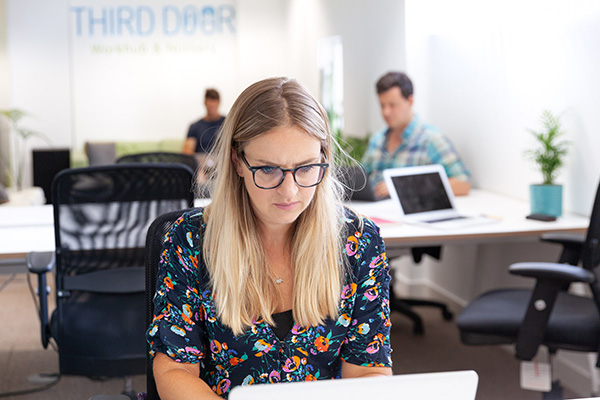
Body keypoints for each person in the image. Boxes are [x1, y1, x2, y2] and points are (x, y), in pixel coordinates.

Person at [147, 77, 393, 399]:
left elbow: (368, 370)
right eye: (267, 170)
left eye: (305, 168)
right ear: (237, 161)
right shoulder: (192, 239)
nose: (289, 192)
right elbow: (175, 369)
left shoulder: (358, 241)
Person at [361, 72, 471, 199]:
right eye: (382, 105)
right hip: (372, 214)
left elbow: (463, 184)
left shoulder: (431, 140)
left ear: (410, 101)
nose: (386, 112)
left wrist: (402, 187)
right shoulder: (377, 140)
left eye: (392, 105)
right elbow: (362, 179)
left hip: (408, 215)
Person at [183, 88, 226, 155]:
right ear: (205, 103)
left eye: (214, 103)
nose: (212, 106)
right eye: (210, 104)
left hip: (223, 161)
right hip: (200, 163)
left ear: (218, 102)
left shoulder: (228, 123)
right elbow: (187, 153)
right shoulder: (195, 126)